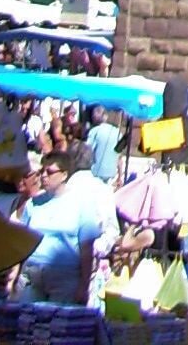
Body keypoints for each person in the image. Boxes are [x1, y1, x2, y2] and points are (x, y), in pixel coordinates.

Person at [17, 152, 107, 304]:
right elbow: (23, 242)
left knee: (57, 323)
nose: (44, 176)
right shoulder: (33, 203)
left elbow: (86, 249)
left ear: (64, 174)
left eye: (50, 172)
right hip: (31, 276)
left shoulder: (82, 203)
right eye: (41, 172)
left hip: (64, 278)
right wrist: (14, 279)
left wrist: (84, 286)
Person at [85, 107, 120, 186]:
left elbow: (87, 151)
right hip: (112, 174)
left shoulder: (94, 131)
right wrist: (120, 176)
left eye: (95, 113)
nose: (93, 116)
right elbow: (119, 157)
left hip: (96, 173)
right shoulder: (117, 132)